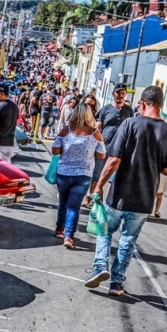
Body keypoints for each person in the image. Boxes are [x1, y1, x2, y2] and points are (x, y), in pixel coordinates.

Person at [84, 85, 167, 297]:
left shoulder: (130, 124)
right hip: (145, 199)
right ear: (161, 105)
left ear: (143, 104)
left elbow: (114, 160)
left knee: (105, 230)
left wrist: (99, 185)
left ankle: (100, 267)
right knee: (128, 240)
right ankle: (116, 283)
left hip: (120, 194)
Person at [52, 104, 106, 249]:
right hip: (83, 174)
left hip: (63, 173)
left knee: (63, 203)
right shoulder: (95, 133)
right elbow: (101, 155)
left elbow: (55, 150)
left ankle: (59, 229)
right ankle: (69, 237)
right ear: (89, 115)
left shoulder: (66, 130)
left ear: (75, 114)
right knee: (74, 206)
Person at [90, 83, 134, 198]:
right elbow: (97, 126)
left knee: (115, 179)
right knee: (97, 174)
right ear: (113, 94)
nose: (120, 95)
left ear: (126, 95)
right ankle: (89, 196)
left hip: (121, 150)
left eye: (123, 93)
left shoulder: (129, 111)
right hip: (104, 148)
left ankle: (108, 202)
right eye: (118, 93)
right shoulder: (105, 109)